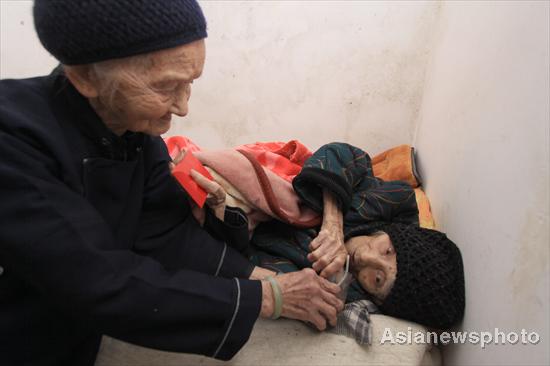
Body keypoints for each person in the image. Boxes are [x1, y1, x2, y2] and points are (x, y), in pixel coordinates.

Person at [0, 1, 344, 365]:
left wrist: (264, 277)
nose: (183, 108)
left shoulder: (138, 139)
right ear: (86, 78)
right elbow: (95, 279)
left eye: (190, 84)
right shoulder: (13, 137)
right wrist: (267, 297)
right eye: (166, 87)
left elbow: (165, 235)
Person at [192, 142, 465, 329]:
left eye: (378, 278)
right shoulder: (391, 203)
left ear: (380, 301)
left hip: (244, 224)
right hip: (291, 190)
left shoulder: (335, 289)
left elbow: (245, 259)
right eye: (387, 251)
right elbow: (342, 154)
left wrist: (226, 218)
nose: (366, 257)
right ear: (395, 236)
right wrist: (332, 222)